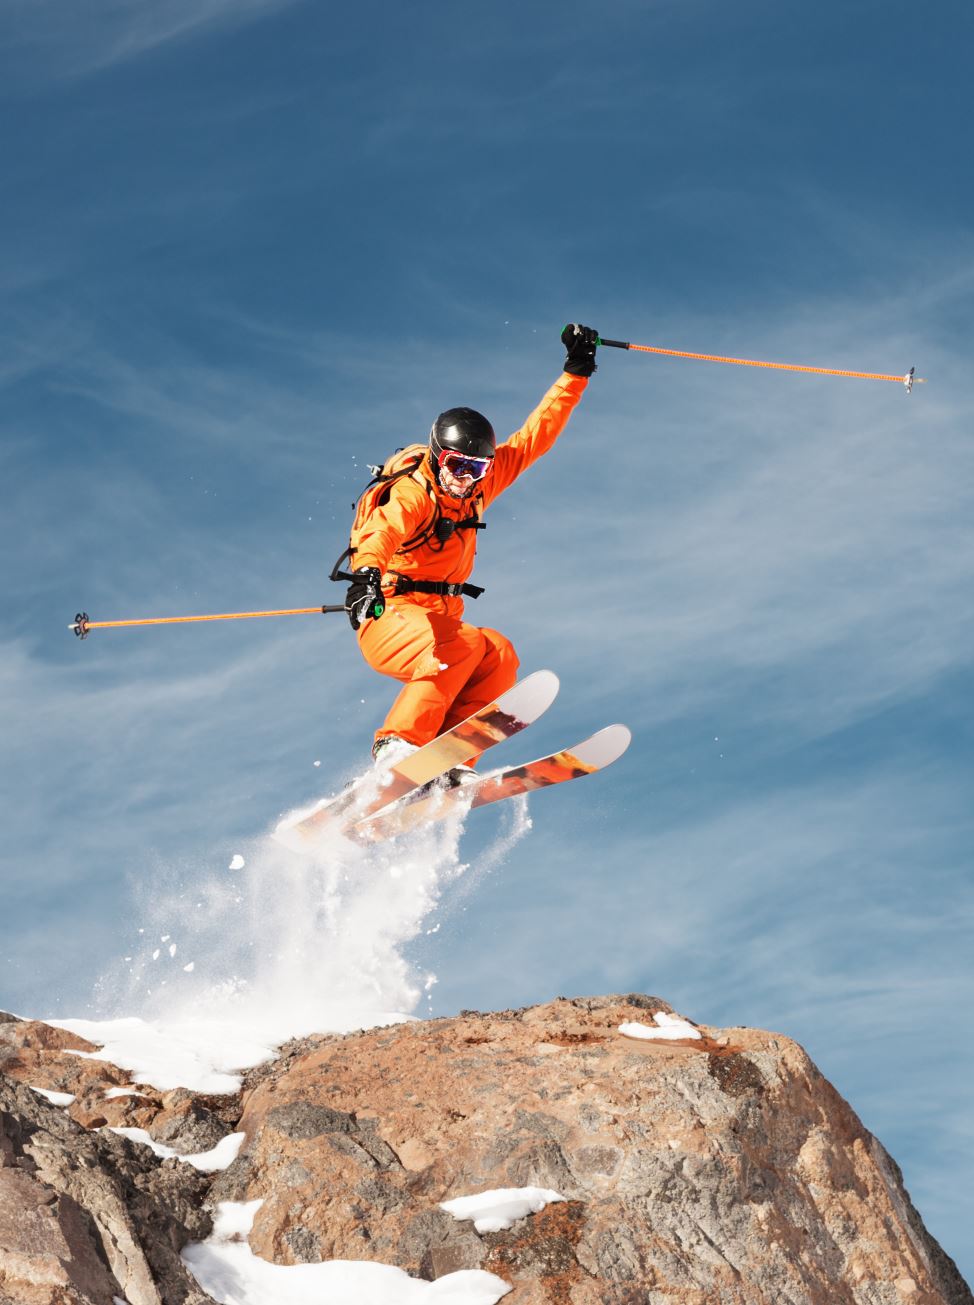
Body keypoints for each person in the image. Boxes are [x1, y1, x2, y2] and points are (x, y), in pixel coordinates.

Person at [343, 323, 599, 763]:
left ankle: (450, 762)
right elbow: (382, 530)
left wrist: (576, 371)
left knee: (497, 653)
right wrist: (365, 575)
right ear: (438, 457)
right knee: (459, 645)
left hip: (440, 620)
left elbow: (535, 437)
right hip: (389, 614)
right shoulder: (415, 493)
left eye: (477, 469)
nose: (467, 478)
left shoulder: (477, 488)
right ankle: (396, 744)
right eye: (458, 465)